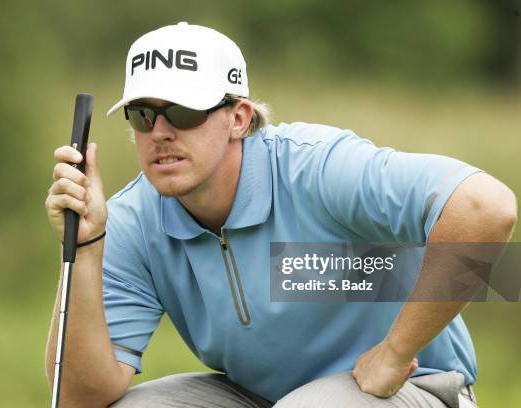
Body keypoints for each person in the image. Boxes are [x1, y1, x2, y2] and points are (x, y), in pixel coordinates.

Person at [44, 22, 517, 407]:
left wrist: (396, 352)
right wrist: (86, 247)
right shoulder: (128, 218)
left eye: (184, 112)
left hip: (410, 386)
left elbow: (485, 207)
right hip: (261, 396)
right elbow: (78, 397)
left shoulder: (317, 167)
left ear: (239, 117)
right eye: (143, 115)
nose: (161, 132)